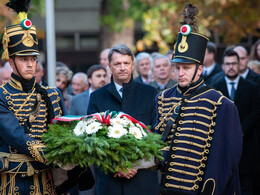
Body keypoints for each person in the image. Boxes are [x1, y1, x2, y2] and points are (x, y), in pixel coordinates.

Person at [154, 4, 242, 195]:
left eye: (186, 68)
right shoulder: (162, 98)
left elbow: (226, 158)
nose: (180, 73)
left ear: (199, 70)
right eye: (177, 68)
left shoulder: (221, 104)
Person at [0, 1, 68, 194]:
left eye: (33, 59)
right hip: (11, 183)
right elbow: (15, 135)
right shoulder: (1, 95)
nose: (30, 65)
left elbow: (63, 131)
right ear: (11, 62)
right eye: (24, 59)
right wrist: (51, 154)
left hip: (44, 181)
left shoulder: (51, 94)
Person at [87, 44, 159, 195]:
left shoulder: (150, 93)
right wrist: (116, 166)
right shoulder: (97, 97)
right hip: (110, 182)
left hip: (143, 181)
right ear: (109, 67)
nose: (122, 67)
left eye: (126, 63)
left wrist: (135, 164)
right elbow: (91, 139)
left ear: (133, 65)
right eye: (117, 64)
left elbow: (157, 134)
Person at [212, 49, 260, 195]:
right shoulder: (215, 88)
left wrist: (239, 131)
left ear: (240, 65)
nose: (231, 67)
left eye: (234, 63)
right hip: (223, 145)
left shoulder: (252, 87)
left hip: (247, 145)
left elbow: (256, 113)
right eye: (227, 64)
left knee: (246, 187)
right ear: (223, 66)